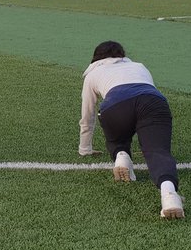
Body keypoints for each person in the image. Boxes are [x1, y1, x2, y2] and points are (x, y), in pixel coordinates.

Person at [77, 40, 184, 219]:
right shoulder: (138, 66)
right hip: (153, 102)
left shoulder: (93, 73)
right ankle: (169, 194)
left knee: (116, 139)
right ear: (122, 55)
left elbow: (88, 115)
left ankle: (121, 156)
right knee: (158, 151)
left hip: (115, 106)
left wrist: (85, 148)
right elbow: (146, 91)